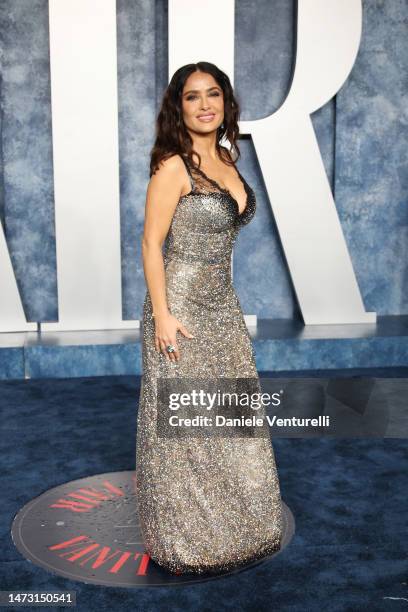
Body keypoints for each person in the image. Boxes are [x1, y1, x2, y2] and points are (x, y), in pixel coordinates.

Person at [135, 61, 283, 575]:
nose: (204, 105)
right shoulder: (173, 166)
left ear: (225, 103)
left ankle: (242, 526)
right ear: (179, 107)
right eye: (192, 96)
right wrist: (162, 316)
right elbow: (152, 245)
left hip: (221, 304)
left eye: (213, 94)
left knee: (230, 418)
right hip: (178, 308)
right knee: (186, 425)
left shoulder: (225, 158)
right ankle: (186, 540)